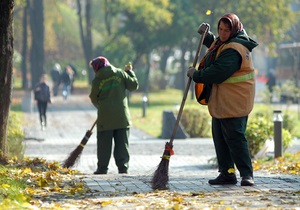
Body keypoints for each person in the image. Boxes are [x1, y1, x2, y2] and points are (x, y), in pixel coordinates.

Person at [187, 13, 258, 186]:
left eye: (227, 30)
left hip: (234, 101)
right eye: (220, 29)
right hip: (223, 100)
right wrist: (207, 36)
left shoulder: (235, 49)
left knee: (234, 137)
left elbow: (218, 72)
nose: (223, 33)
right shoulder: (228, 42)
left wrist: (196, 75)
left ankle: (246, 174)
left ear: (234, 30)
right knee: (220, 137)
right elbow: (217, 47)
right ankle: (227, 173)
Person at [89, 56, 139, 174]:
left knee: (104, 144)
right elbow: (133, 85)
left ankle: (102, 168)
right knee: (122, 143)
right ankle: (123, 167)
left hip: (105, 117)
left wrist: (101, 107)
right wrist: (130, 72)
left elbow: (93, 97)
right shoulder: (120, 74)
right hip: (122, 116)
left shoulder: (97, 81)